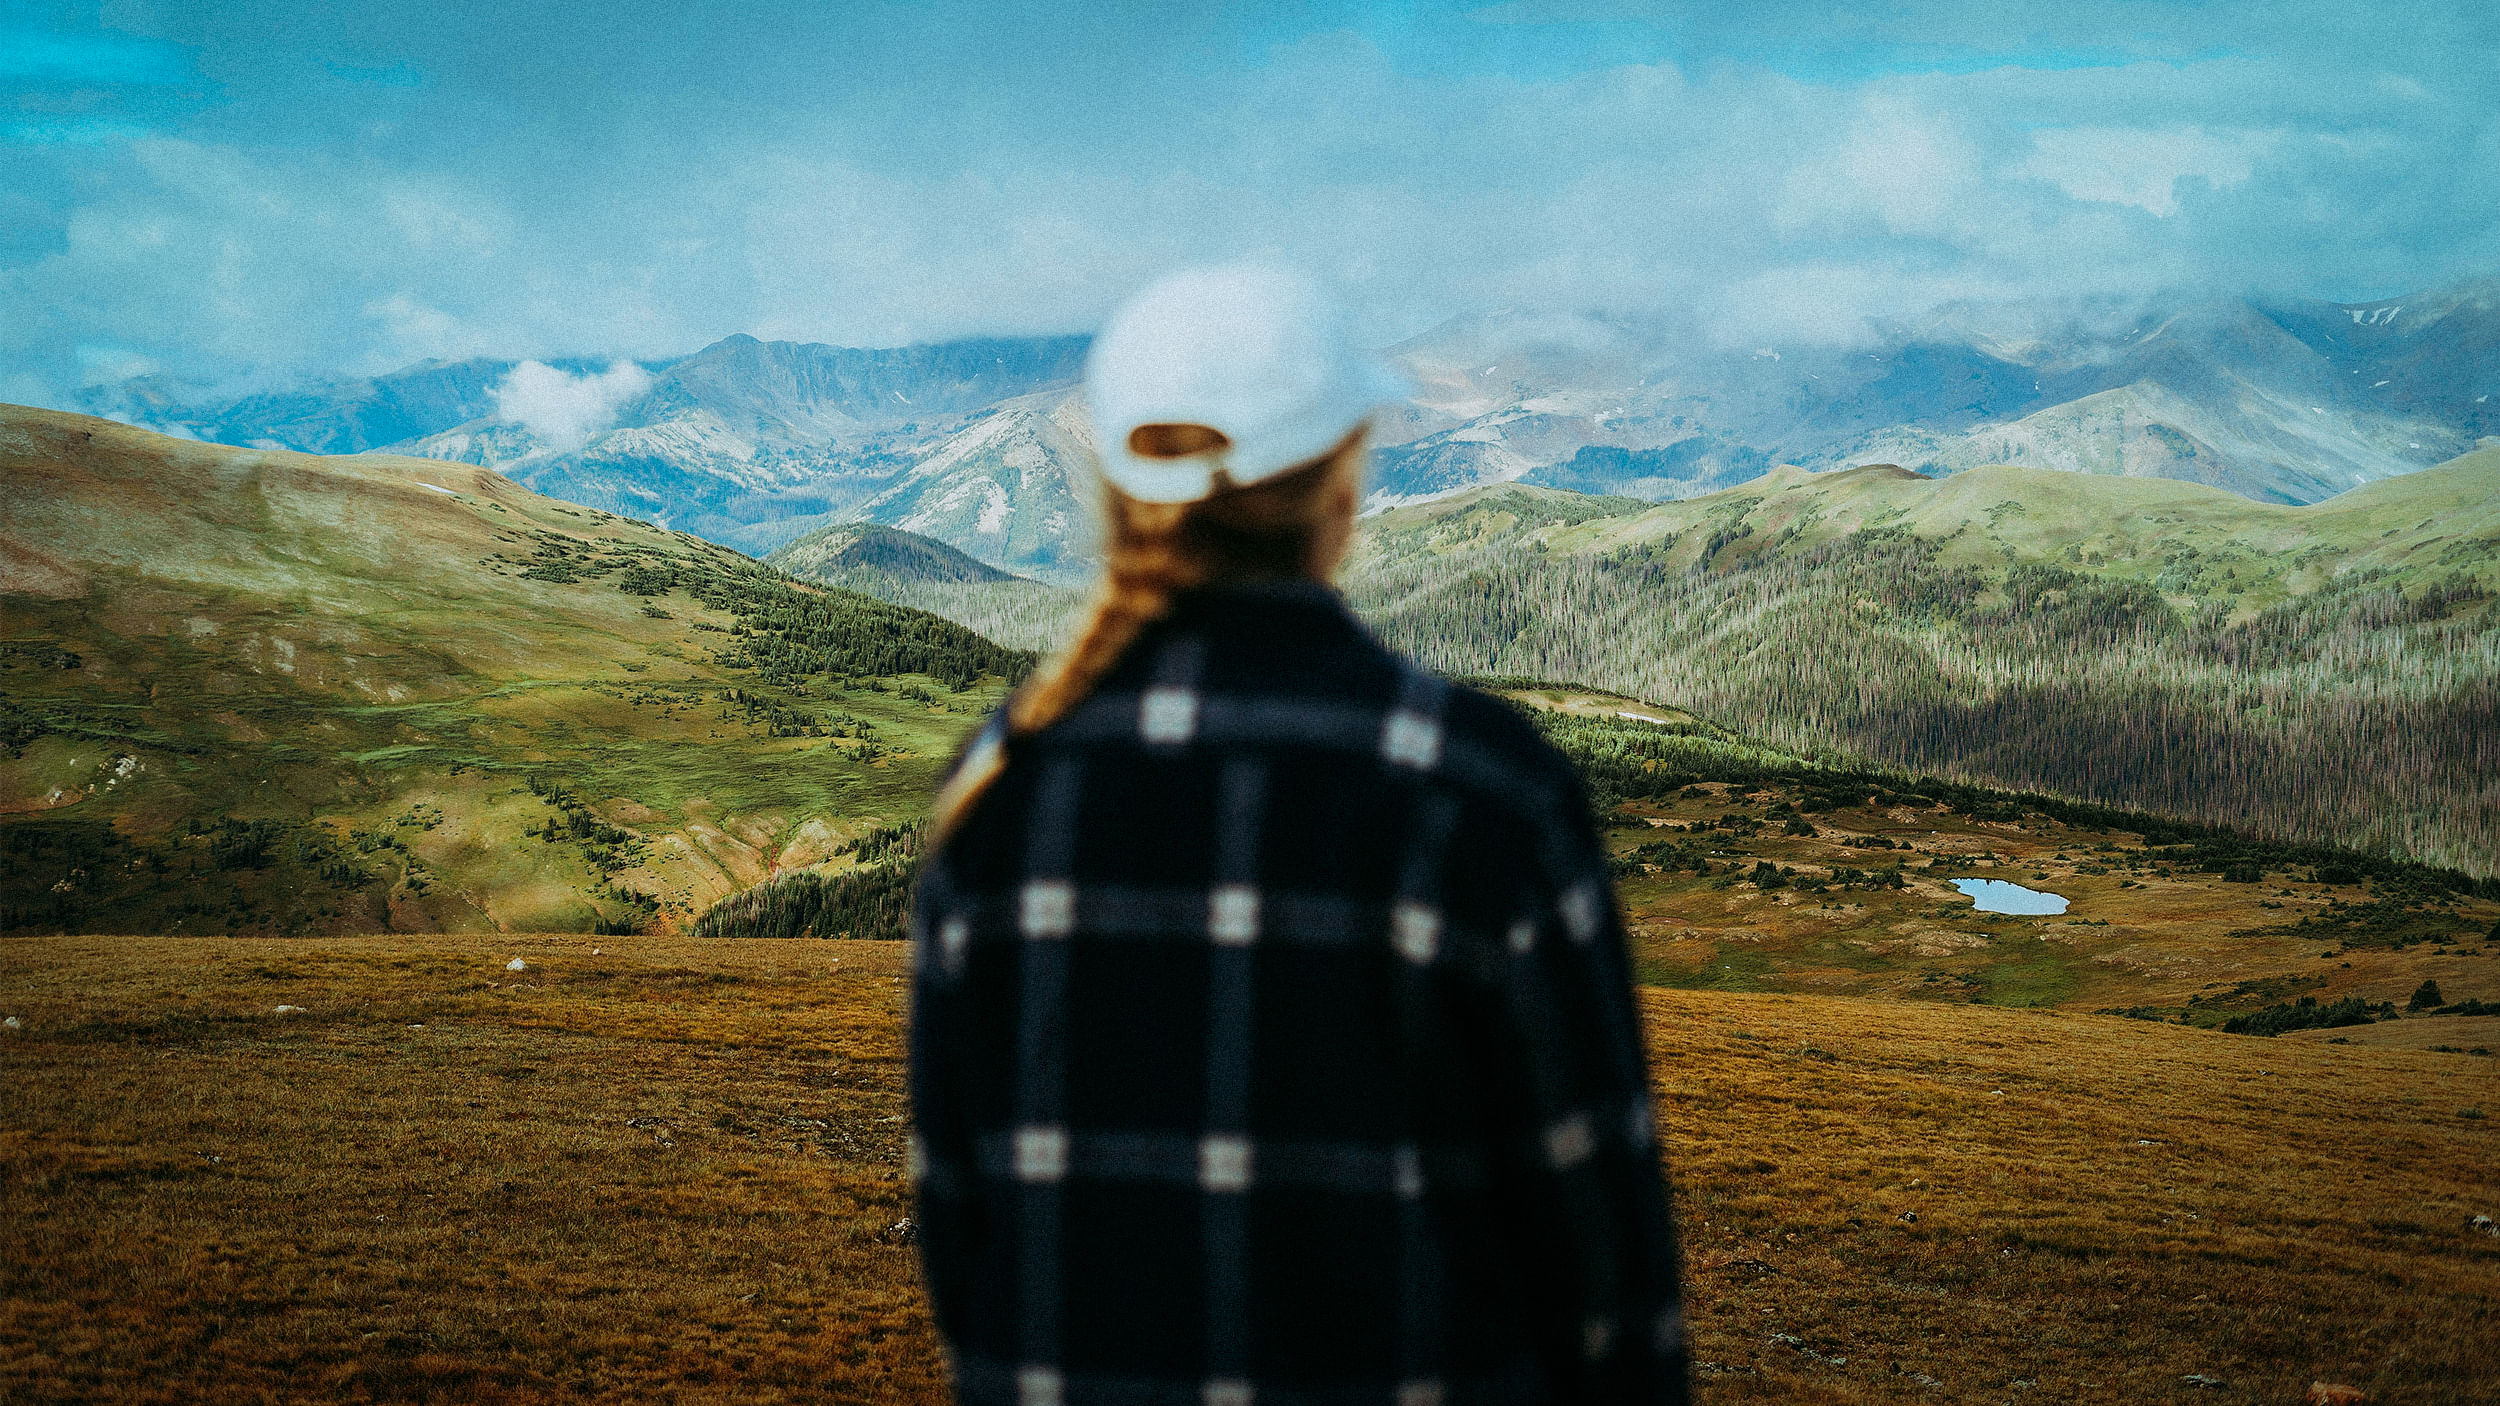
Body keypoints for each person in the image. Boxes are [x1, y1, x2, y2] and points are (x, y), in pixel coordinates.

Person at [908, 265, 1686, 1406]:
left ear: (1117, 489)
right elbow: (1605, 1274)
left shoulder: (1001, 789)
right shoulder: (1481, 790)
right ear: (1342, 483)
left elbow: (964, 1231)